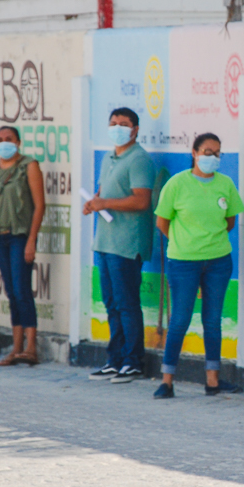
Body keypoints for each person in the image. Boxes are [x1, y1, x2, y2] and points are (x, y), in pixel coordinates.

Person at [153, 133, 244, 399]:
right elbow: (162, 222)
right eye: (207, 152)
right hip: (183, 262)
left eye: (217, 153)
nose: (212, 157)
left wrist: (208, 242)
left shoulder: (225, 184)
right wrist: (184, 243)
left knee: (213, 321)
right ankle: (167, 381)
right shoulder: (177, 184)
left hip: (218, 261)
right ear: (194, 153)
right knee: (180, 320)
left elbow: (230, 221)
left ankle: (212, 380)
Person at [84, 108, 157, 384]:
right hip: (104, 241)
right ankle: (115, 360)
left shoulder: (139, 159)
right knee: (111, 303)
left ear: (135, 130)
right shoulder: (108, 158)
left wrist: (105, 203)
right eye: (113, 123)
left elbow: (141, 200)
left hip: (126, 245)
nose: (117, 128)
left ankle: (133, 361)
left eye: (124, 124)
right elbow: (104, 193)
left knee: (127, 304)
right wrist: (94, 202)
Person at [0, 126, 45, 366]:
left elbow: (39, 205)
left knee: (22, 289)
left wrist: (32, 240)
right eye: (0, 139)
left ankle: (31, 347)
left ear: (18, 142)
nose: (4, 143)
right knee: (11, 292)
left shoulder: (28, 166)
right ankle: (16, 348)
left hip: (19, 236)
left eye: (9, 139)